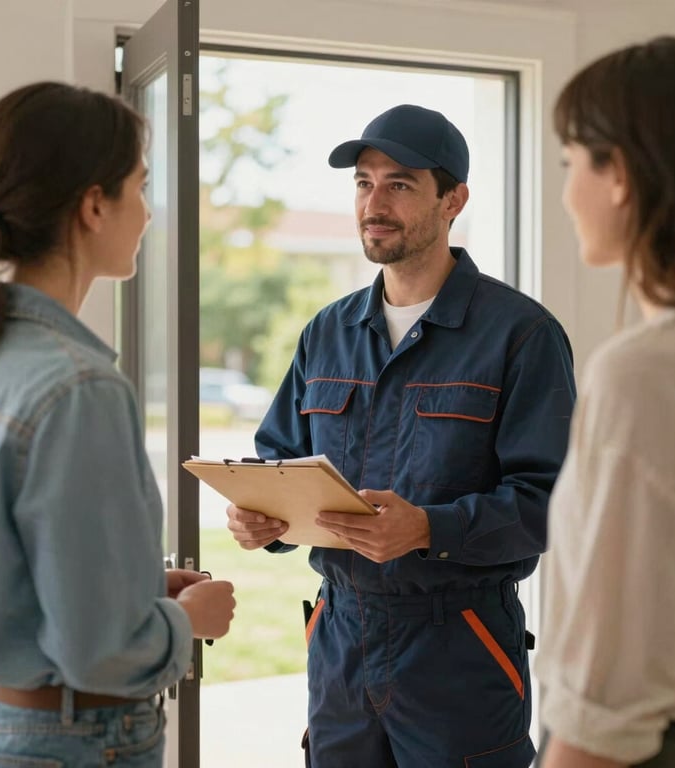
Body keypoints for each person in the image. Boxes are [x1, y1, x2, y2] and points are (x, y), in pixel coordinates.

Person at [227, 103, 576, 767]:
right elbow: (277, 458)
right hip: (340, 644)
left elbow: (556, 505)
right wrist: (261, 516)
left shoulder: (520, 335)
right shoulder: (326, 333)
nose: (373, 203)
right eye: (363, 182)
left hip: (459, 647)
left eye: (400, 184)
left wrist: (427, 530)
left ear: (454, 200)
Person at [0, 82, 236, 767]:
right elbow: (100, 650)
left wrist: (137, 585)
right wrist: (185, 622)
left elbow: (9, 574)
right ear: (93, 205)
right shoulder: (80, 387)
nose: (147, 212)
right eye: (141, 187)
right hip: (73, 744)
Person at [534, 36, 675, 768]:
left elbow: (608, 701)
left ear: (620, 175)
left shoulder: (646, 375)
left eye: (569, 163)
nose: (564, 191)